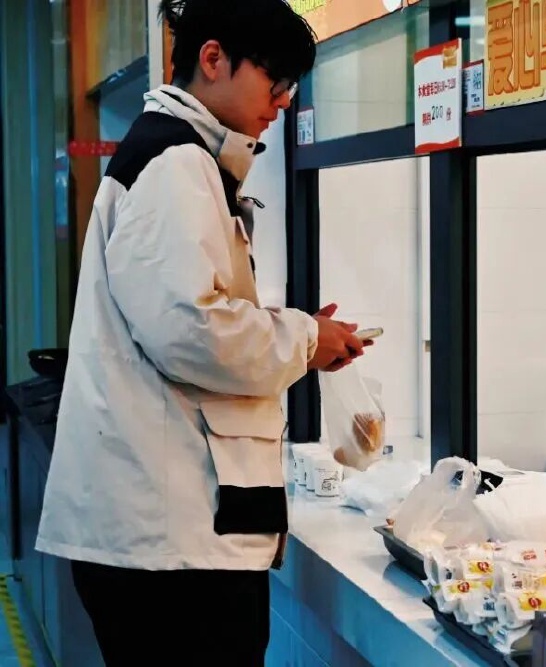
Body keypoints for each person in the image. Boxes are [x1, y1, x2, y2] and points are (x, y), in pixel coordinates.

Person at [34, 1, 366, 664]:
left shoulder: (182, 158)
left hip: (166, 539)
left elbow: (187, 313)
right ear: (213, 59)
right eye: (274, 80)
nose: (282, 101)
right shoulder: (175, 163)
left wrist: (301, 334)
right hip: (169, 550)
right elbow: (193, 332)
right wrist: (305, 338)